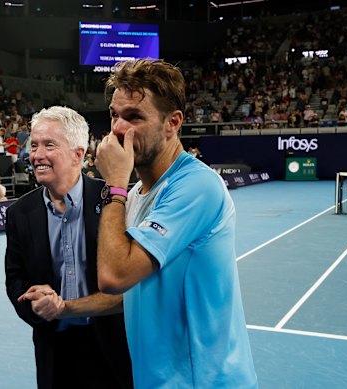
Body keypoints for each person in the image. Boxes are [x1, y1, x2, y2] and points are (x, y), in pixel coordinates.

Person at [95, 59, 258, 388]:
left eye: (134, 117)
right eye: (114, 114)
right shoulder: (137, 194)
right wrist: (64, 308)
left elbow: (114, 276)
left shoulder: (197, 186)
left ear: (173, 123)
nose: (117, 130)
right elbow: (130, 291)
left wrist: (114, 184)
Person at [4, 106, 133, 389]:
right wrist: (34, 304)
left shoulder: (116, 200)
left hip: (113, 347)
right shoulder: (19, 213)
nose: (37, 155)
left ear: (78, 153)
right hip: (53, 349)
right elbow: (15, 280)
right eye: (34, 145)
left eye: (49, 145)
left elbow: (132, 280)